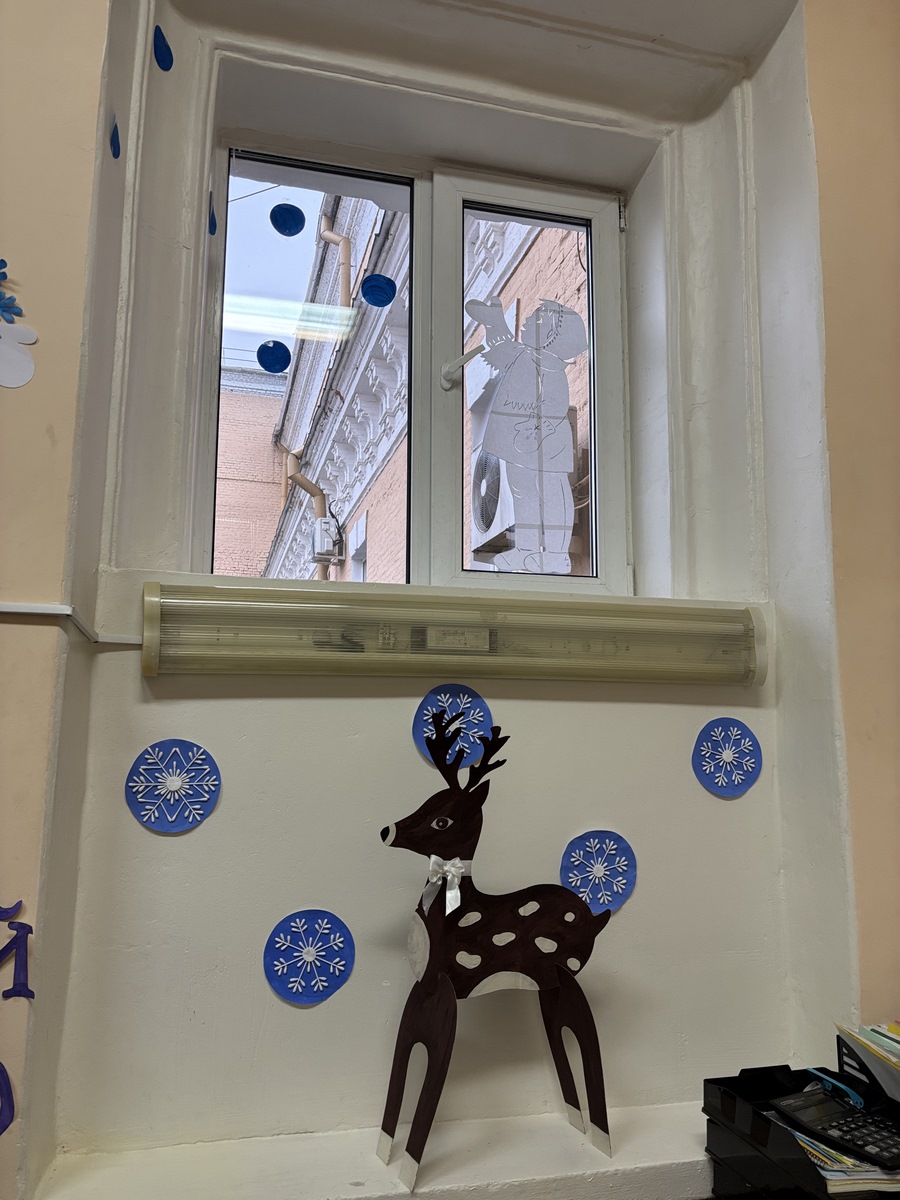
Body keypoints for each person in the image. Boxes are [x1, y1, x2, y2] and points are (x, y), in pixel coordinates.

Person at [465, 296, 588, 574]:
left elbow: (553, 408)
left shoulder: (551, 369)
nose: (530, 320)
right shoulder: (522, 356)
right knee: (522, 494)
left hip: (545, 447)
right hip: (517, 445)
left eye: (539, 318)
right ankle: (527, 549)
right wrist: (494, 322)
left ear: (552, 335)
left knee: (551, 494)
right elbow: (500, 350)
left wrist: (535, 430)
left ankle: (556, 555)